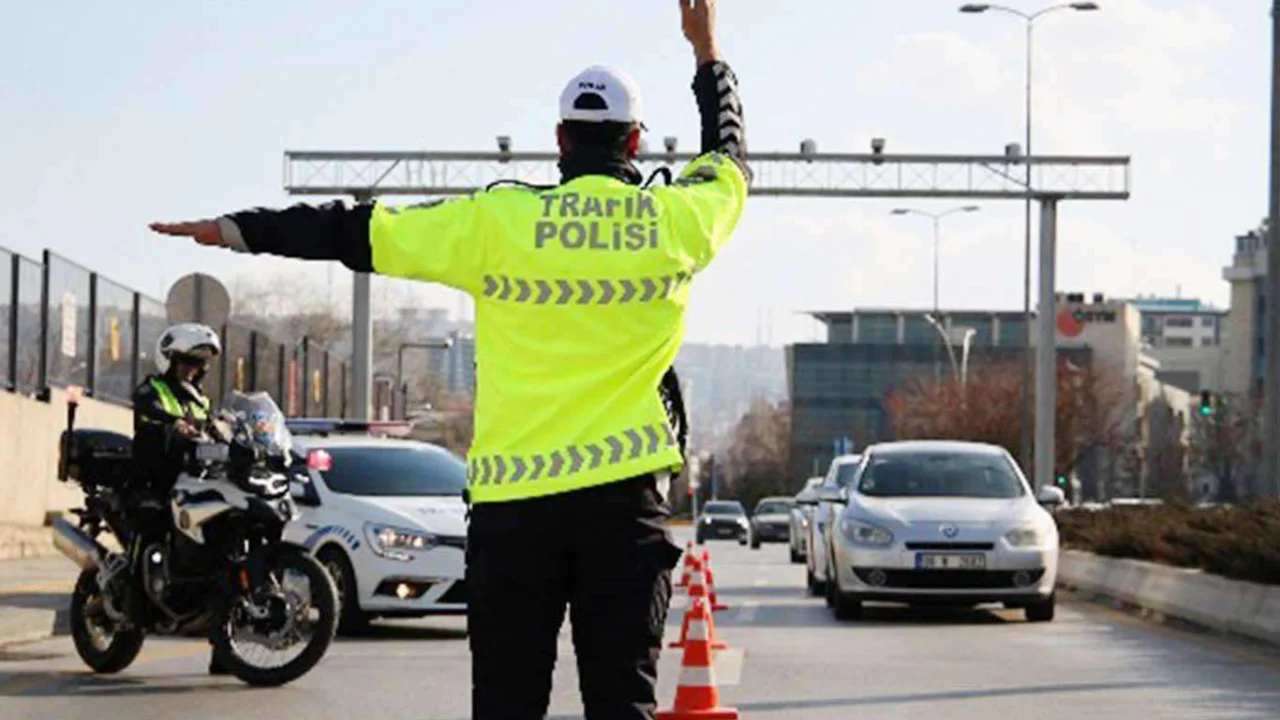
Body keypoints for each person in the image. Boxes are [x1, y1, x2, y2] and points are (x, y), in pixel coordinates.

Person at [150, 0, 747, 715]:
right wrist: (706, 50)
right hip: (623, 514)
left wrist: (238, 230)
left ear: (560, 140)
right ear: (638, 142)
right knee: (623, 703)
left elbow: (355, 230)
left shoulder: (496, 222)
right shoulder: (674, 223)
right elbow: (729, 160)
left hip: (513, 518)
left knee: (505, 705)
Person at [130, 322, 226, 674]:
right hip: (153, 482)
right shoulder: (151, 389)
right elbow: (150, 409)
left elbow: (216, 429)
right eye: (187, 362)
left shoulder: (201, 400)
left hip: (193, 485)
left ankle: (224, 649)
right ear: (168, 360)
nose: (194, 370)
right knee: (152, 528)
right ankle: (136, 601)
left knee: (220, 552)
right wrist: (172, 423)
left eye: (199, 364)